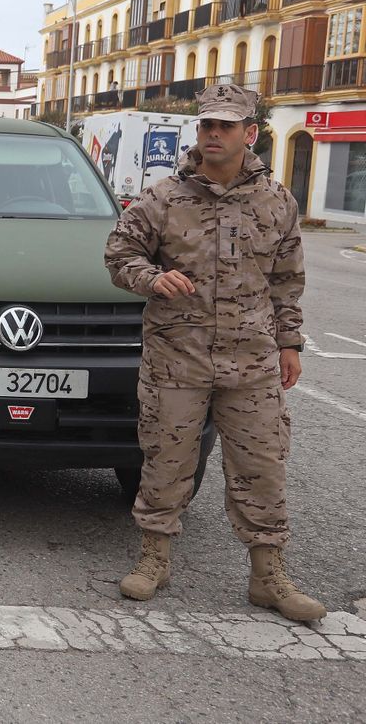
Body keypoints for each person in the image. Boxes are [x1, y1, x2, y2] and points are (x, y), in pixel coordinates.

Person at [103, 82, 325, 622]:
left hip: (252, 361)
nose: (214, 134)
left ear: (250, 134)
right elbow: (119, 255)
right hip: (177, 357)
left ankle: (267, 576)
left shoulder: (276, 201)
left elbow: (287, 279)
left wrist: (290, 342)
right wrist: (153, 279)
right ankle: (154, 559)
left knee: (262, 466)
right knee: (166, 459)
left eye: (226, 126)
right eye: (207, 125)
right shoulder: (162, 198)